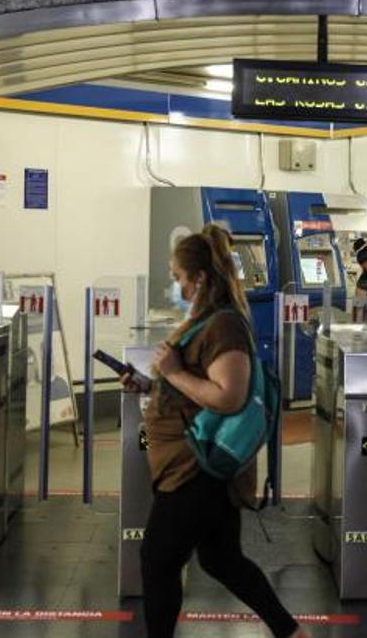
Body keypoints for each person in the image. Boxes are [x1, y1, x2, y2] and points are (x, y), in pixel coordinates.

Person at [125, 224, 306, 638]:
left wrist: (171, 371)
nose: (175, 286)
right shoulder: (205, 320)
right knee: (221, 559)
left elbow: (229, 397)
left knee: (157, 559)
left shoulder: (224, 326)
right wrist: (152, 385)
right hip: (192, 463)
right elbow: (192, 389)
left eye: (178, 278)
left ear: (200, 278)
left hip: (196, 466)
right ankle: (291, 633)